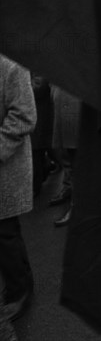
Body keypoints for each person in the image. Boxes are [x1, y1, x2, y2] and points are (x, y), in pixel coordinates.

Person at [0, 55, 37, 322]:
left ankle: (18, 291)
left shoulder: (10, 65)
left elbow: (24, 116)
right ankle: (22, 281)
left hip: (5, 167)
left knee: (5, 232)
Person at [49, 87, 81, 227]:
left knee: (78, 166)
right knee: (66, 158)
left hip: (76, 113)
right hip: (63, 108)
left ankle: (77, 207)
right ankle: (69, 189)